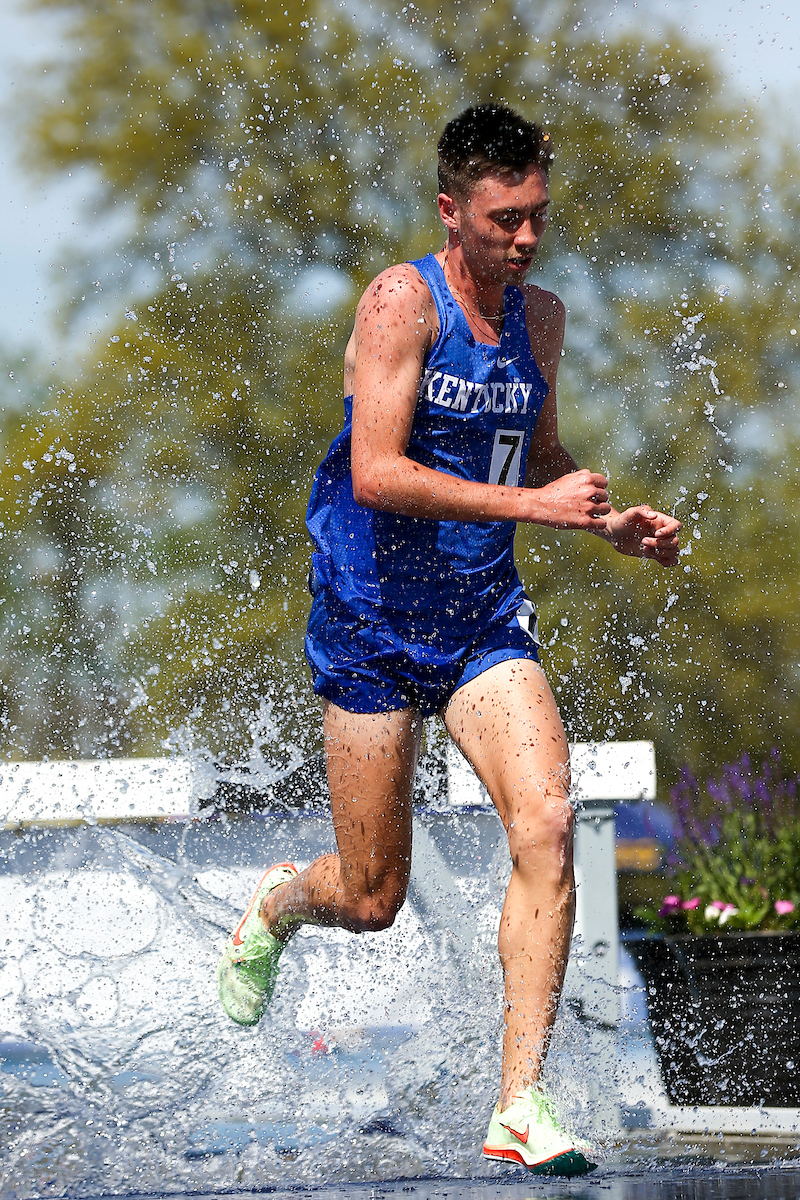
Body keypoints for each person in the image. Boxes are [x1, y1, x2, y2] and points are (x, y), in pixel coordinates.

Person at [217, 104, 680, 1176]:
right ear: (450, 210)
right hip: (370, 622)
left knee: (547, 820)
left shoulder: (543, 319)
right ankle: (283, 902)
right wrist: (537, 510)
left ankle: (518, 1102)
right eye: (502, 219)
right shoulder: (399, 303)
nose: (522, 241)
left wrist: (605, 520)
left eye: (536, 218)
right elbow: (377, 472)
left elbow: (537, 456)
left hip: (478, 622)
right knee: (369, 897)